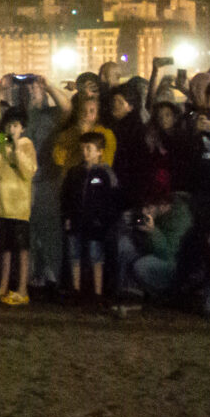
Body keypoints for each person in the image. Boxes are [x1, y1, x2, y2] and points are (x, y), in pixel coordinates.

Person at [0, 108, 38, 305]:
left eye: (15, 125)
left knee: (21, 249)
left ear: (22, 128)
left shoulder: (26, 144)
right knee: (4, 249)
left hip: (19, 208)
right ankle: (3, 287)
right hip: (0, 206)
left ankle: (22, 289)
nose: (11, 129)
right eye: (8, 125)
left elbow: (28, 171)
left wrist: (16, 149)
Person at [62, 128, 123, 306]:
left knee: (96, 255)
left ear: (100, 152)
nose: (85, 152)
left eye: (89, 148)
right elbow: (66, 197)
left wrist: (104, 219)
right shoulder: (75, 172)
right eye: (83, 148)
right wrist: (67, 216)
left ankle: (97, 293)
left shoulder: (105, 173)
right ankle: (76, 289)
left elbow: (111, 199)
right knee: (74, 254)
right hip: (76, 220)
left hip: (95, 223)